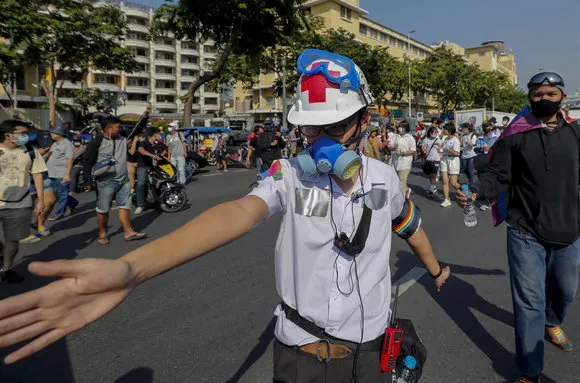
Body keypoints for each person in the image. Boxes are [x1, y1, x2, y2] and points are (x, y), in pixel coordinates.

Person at [0, 50, 451, 382]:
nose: (319, 141)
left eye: (334, 128)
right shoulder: (288, 173)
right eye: (310, 128)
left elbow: (409, 228)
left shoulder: (384, 179)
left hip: (372, 353)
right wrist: (133, 269)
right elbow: (238, 213)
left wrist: (435, 270)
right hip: (303, 358)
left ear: (364, 119)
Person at [456, 72, 580, 383]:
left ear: (562, 98)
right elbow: (499, 174)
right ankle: (530, 371)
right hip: (524, 229)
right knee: (529, 301)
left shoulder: (573, 131)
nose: (544, 99)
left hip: (568, 229)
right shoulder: (515, 133)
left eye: (551, 94)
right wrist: (476, 191)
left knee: (565, 290)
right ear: (530, 97)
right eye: (538, 94)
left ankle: (552, 320)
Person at [83, 118, 147, 245]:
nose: (120, 129)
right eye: (117, 127)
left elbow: (137, 129)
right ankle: (102, 234)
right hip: (105, 182)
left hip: (123, 180)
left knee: (125, 206)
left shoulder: (123, 138)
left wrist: (145, 117)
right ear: (108, 128)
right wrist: (87, 181)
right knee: (103, 210)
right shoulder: (97, 142)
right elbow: (87, 161)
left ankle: (128, 232)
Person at [0, 120, 46, 283]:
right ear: (8, 135)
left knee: (13, 239)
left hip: (20, 203)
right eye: (23, 133)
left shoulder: (31, 151)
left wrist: (40, 200)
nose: (27, 136)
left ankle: (6, 269)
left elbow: (38, 174)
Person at [45, 125, 79, 221]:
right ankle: (72, 203)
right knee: (57, 193)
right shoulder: (55, 144)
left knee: (62, 194)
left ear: (58, 134)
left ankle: (59, 213)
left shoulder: (68, 145)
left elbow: (70, 160)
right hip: (51, 173)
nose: (51, 134)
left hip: (61, 173)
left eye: (53, 132)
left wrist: (67, 174)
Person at [135, 128, 162, 214]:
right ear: (155, 134)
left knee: (154, 184)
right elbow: (140, 150)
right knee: (141, 184)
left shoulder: (154, 144)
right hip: (142, 167)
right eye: (159, 134)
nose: (160, 136)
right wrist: (152, 156)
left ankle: (155, 201)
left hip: (151, 167)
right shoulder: (144, 142)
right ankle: (140, 205)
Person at [390, 121, 417, 198]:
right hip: (395, 161)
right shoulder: (395, 136)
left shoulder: (410, 138)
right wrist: (393, 147)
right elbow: (390, 147)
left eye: (401, 127)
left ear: (405, 128)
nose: (399, 128)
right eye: (398, 126)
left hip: (405, 162)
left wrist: (403, 153)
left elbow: (413, 150)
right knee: (395, 181)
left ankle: (403, 197)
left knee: (402, 181)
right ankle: (406, 190)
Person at [438, 123, 461, 207]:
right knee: (445, 181)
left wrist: (447, 148)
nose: (443, 131)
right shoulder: (445, 139)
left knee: (453, 182)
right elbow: (443, 149)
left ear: (450, 131)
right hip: (444, 159)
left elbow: (456, 153)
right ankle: (447, 199)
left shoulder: (456, 140)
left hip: (453, 160)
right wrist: (440, 149)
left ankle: (465, 192)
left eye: (445, 129)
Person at [421, 126, 442, 197]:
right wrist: (424, 148)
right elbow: (423, 149)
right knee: (430, 176)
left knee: (433, 175)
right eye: (435, 132)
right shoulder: (426, 140)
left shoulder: (438, 140)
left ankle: (431, 192)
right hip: (428, 159)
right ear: (430, 133)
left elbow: (441, 149)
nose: (436, 133)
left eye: (437, 132)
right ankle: (433, 186)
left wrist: (439, 146)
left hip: (436, 159)